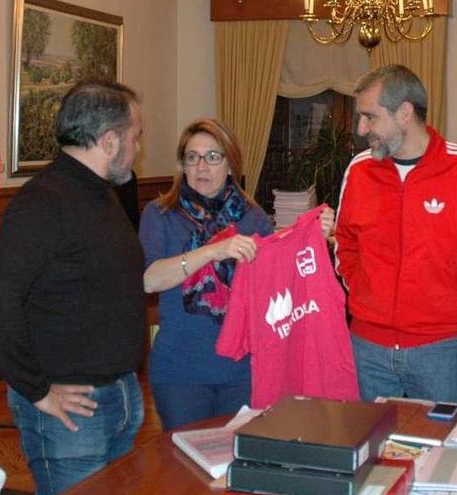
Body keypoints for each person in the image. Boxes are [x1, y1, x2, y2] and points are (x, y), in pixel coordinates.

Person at [0, 80, 146, 495]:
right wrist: (38, 391)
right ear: (109, 141)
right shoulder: (44, 202)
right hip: (72, 413)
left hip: (119, 399)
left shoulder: (103, 193)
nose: (138, 147)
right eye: (135, 137)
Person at [334, 64, 457, 406]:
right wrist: (365, 293)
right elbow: (345, 243)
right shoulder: (359, 171)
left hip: (444, 351)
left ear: (405, 113)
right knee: (372, 454)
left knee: (443, 452)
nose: (361, 129)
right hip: (368, 347)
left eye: (370, 117)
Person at [138, 117, 334, 430]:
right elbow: (150, 279)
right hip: (180, 372)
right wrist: (212, 250)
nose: (202, 166)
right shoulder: (160, 214)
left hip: (242, 370)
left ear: (230, 165)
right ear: (183, 166)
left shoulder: (253, 217)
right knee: (184, 472)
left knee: (233, 465)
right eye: (192, 157)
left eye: (213, 157)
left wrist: (312, 238)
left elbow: (279, 284)